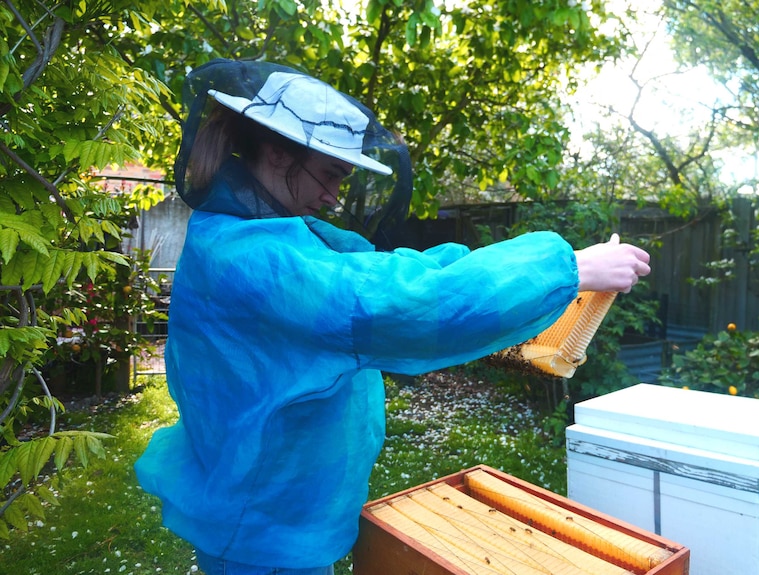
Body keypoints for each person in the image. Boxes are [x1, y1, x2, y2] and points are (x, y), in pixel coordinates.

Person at [134, 58, 651, 575]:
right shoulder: (253, 258)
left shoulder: (268, 235)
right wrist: (571, 268)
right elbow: (397, 301)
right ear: (275, 152)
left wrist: (554, 270)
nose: (335, 196)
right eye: (331, 174)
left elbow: (400, 270)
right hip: (261, 531)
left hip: (271, 513)